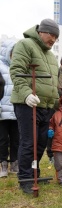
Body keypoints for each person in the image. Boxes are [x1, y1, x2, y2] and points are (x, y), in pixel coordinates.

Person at [10, 18, 60, 194]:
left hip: (46, 106)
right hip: (27, 104)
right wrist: (26, 94)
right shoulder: (25, 45)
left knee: (40, 144)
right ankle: (25, 178)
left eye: (56, 37)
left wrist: (56, 104)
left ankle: (35, 173)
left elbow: (53, 84)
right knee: (28, 142)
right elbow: (17, 71)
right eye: (51, 35)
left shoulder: (51, 56)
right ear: (41, 32)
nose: (53, 39)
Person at [0, 39, 19, 178]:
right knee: (2, 139)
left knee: (16, 139)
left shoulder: (19, 67)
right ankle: (3, 164)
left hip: (16, 110)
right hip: (1, 111)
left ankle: (14, 163)